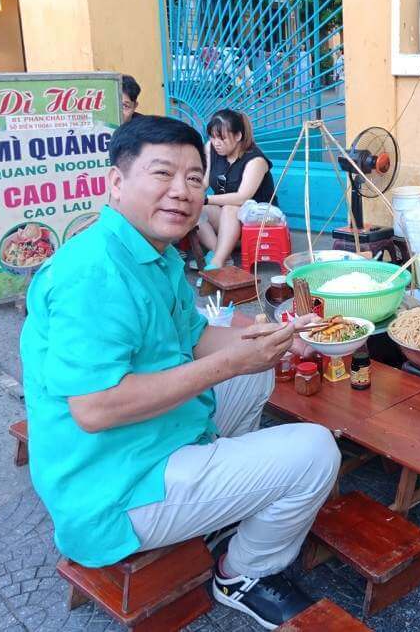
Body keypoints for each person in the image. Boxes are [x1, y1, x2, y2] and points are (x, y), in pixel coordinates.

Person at [19, 115, 339, 629]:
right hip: (111, 488)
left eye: (194, 178)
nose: (182, 192)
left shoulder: (151, 252)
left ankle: (218, 498)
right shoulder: (92, 274)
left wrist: (282, 341)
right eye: (162, 174)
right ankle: (243, 574)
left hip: (149, 441)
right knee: (316, 451)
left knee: (253, 369)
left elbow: (194, 338)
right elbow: (96, 409)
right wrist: (228, 363)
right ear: (117, 182)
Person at [196, 109, 278, 271]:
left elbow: (242, 197)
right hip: (228, 219)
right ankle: (222, 256)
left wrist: (206, 199)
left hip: (258, 219)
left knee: (231, 208)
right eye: (212, 137)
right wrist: (192, 195)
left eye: (222, 138)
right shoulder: (211, 148)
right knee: (195, 209)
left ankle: (216, 264)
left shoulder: (256, 160)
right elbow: (204, 181)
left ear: (238, 136)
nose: (216, 143)